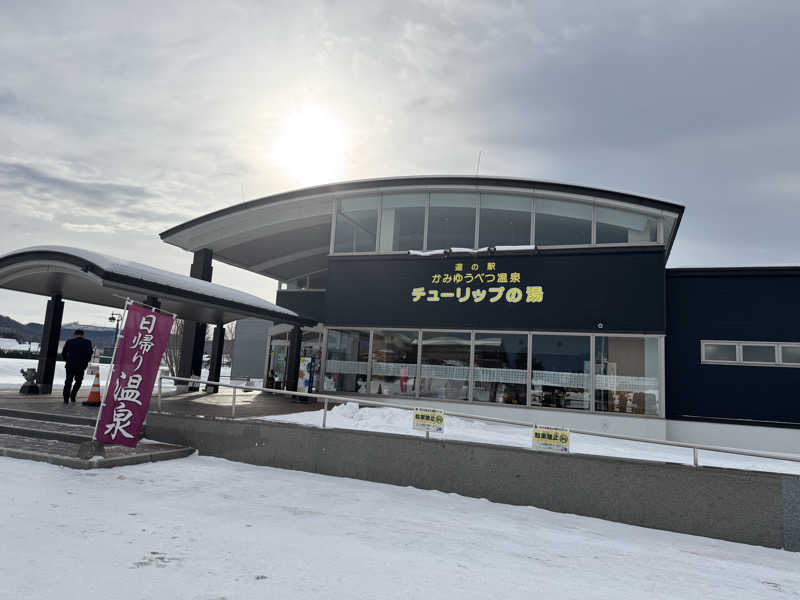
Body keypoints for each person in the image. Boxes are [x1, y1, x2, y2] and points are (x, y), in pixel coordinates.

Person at [61, 329, 93, 404]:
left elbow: (63, 353)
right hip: (81, 366)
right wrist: (85, 362)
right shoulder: (87, 342)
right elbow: (89, 354)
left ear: (75, 334)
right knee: (78, 381)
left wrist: (67, 360)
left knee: (68, 381)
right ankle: (73, 395)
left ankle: (66, 398)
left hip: (70, 365)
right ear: (82, 335)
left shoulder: (69, 341)